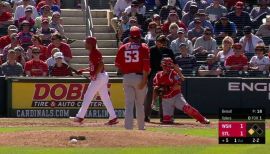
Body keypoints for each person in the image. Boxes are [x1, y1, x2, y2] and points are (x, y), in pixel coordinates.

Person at [70, 36, 118, 125]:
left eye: (86, 42)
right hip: (102, 76)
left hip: (100, 76)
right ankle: (113, 117)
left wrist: (95, 74)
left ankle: (80, 117)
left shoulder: (94, 53)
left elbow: (101, 64)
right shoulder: (93, 52)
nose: (85, 44)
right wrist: (83, 70)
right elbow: (94, 66)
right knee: (105, 98)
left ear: (90, 44)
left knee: (88, 96)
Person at [152, 57, 210, 124]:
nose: (166, 67)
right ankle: (170, 118)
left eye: (168, 65)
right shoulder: (158, 75)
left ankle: (202, 119)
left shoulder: (174, 73)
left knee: (187, 108)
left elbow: (178, 86)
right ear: (161, 65)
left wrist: (167, 88)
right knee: (167, 121)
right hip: (165, 100)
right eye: (165, 65)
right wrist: (153, 100)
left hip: (176, 96)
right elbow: (155, 89)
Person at [115, 26, 150, 130]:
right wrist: (144, 80)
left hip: (127, 77)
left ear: (130, 37)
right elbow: (146, 67)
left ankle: (128, 128)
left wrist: (126, 67)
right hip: (139, 76)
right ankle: (141, 127)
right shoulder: (144, 47)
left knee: (129, 104)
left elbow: (117, 64)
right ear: (139, 37)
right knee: (139, 104)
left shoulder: (123, 47)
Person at [144, 35, 175, 123]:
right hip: (154, 74)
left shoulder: (169, 50)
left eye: (163, 41)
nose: (161, 43)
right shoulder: (152, 50)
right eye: (160, 41)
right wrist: (147, 76)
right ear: (156, 41)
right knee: (150, 94)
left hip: (166, 74)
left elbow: (174, 64)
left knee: (165, 96)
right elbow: (148, 64)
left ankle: (164, 117)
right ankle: (146, 116)